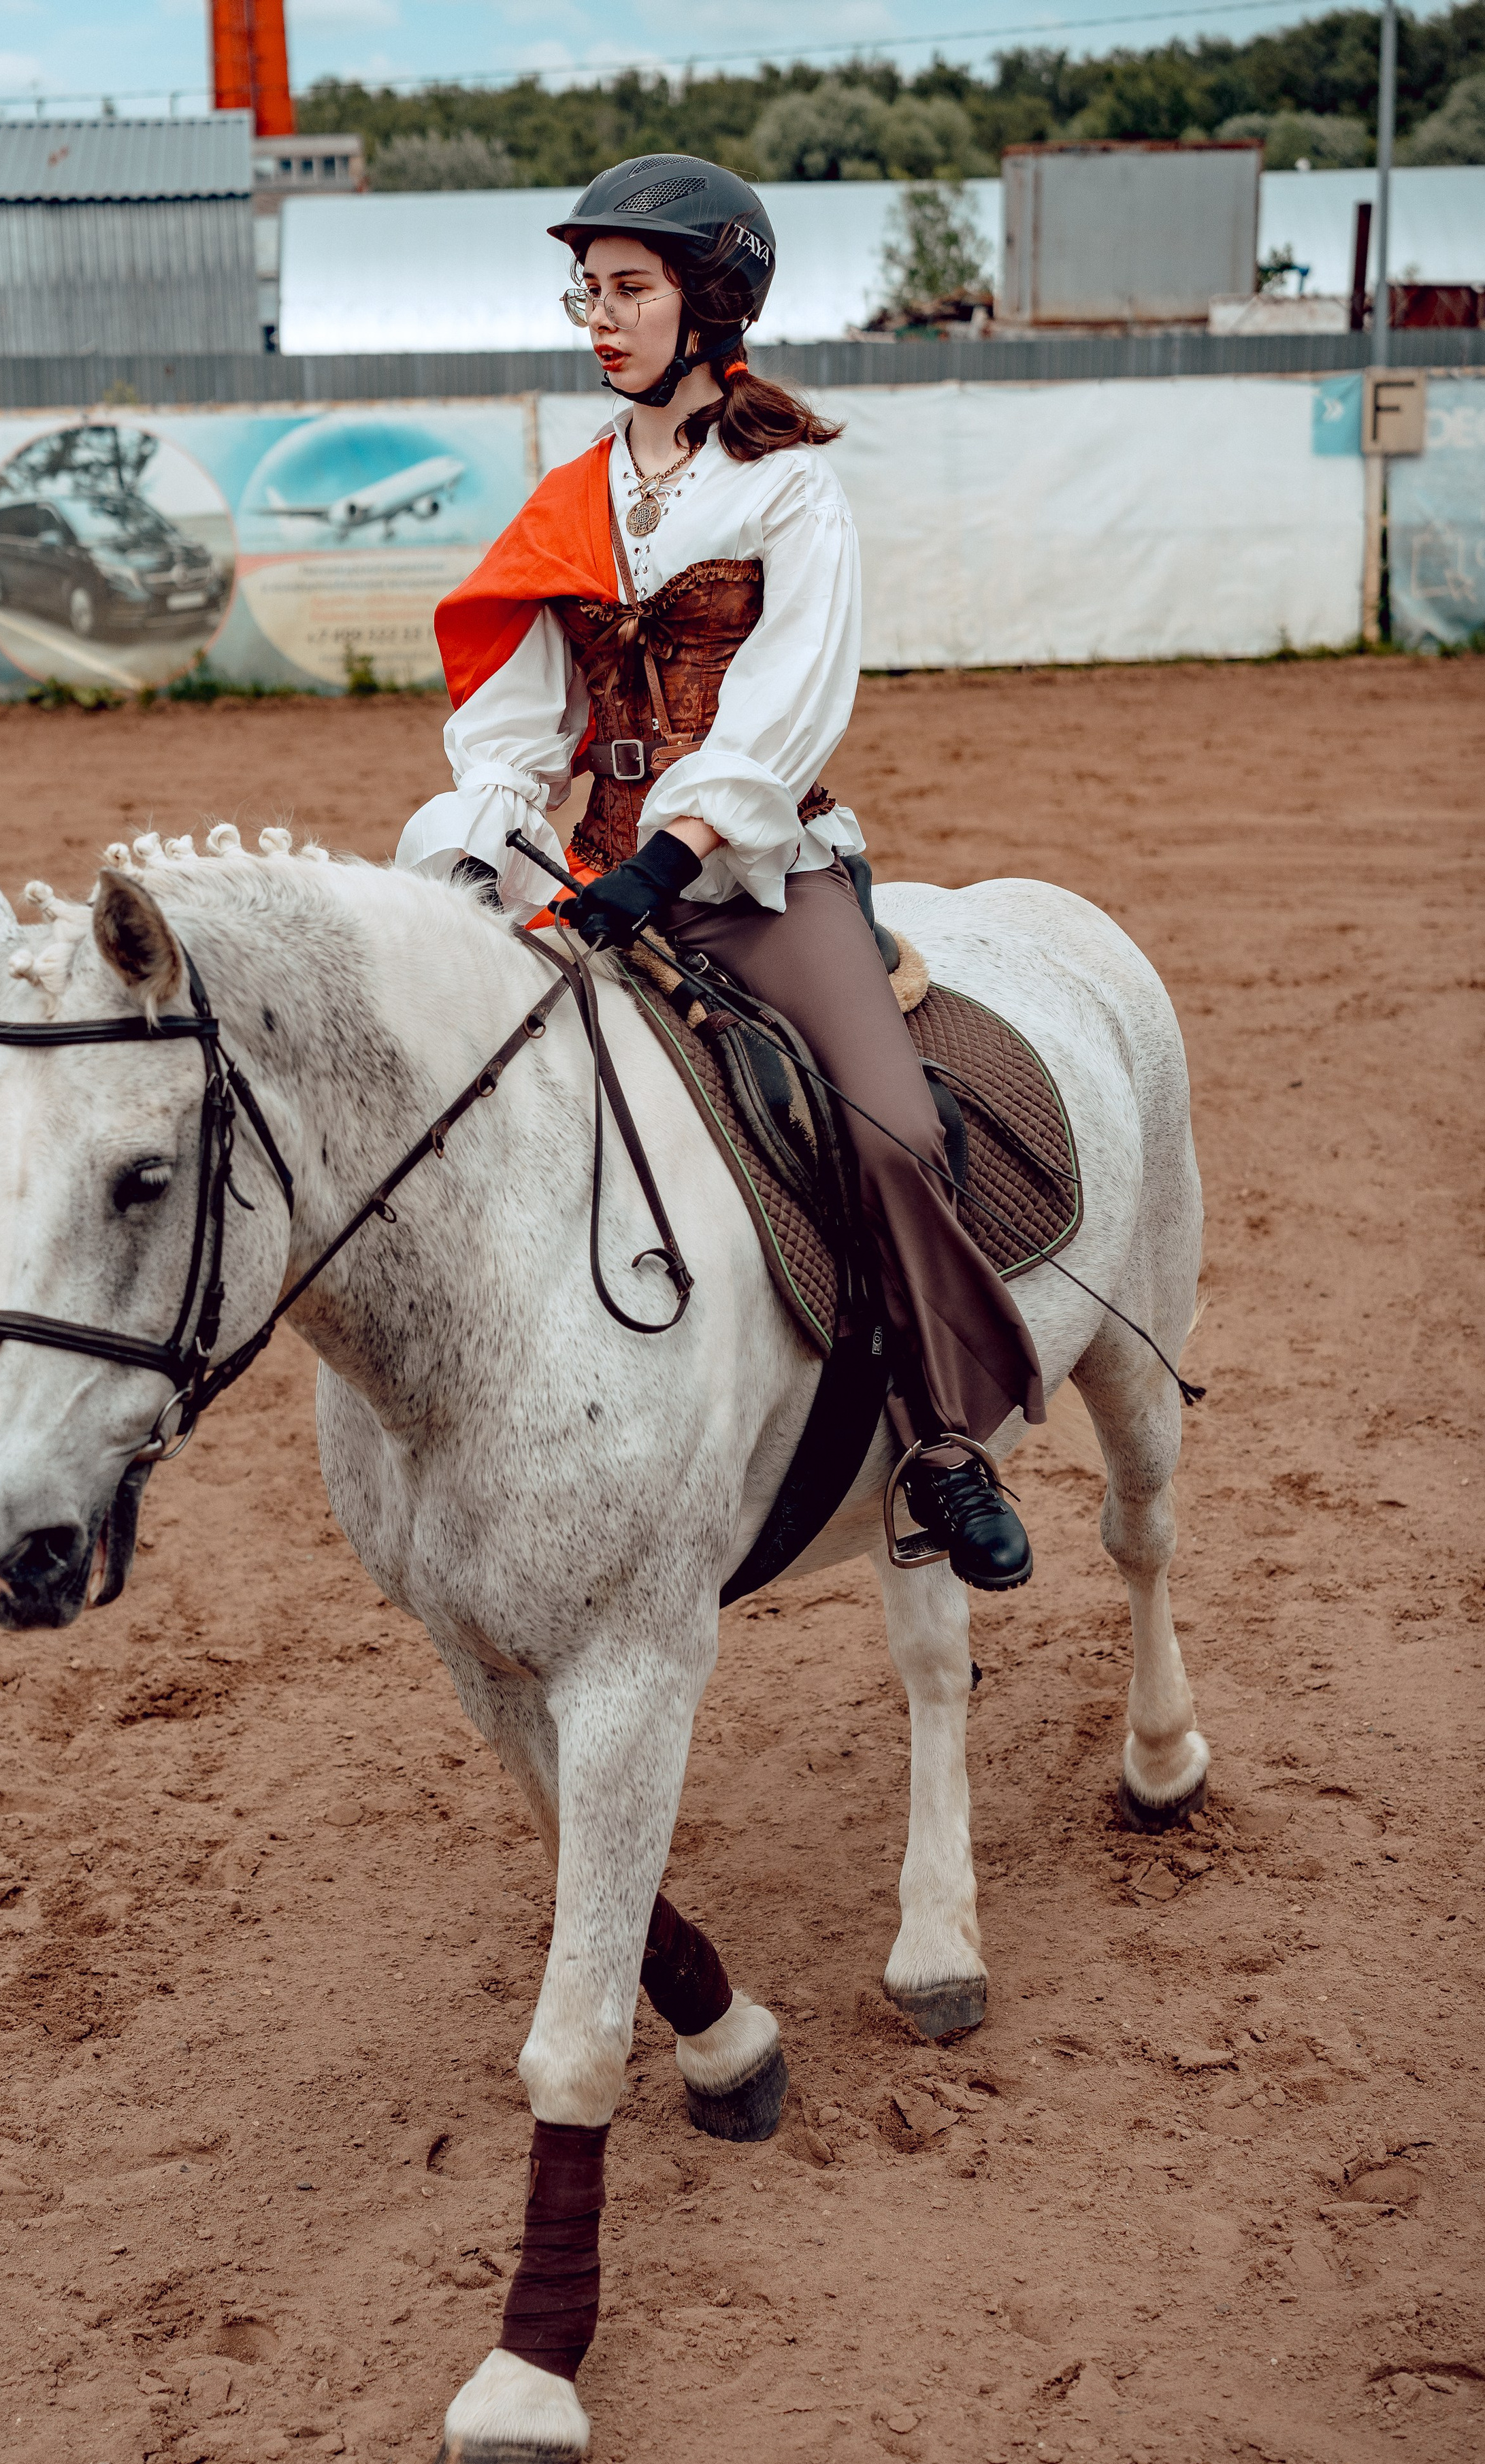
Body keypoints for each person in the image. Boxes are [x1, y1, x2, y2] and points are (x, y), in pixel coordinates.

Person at [395, 154, 1043, 1589]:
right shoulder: (569, 505)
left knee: (885, 1131)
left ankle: (941, 1439)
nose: (600, 316)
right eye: (590, 290)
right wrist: (474, 850)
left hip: (759, 877)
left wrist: (675, 851)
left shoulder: (788, 487)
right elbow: (515, 730)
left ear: (712, 297)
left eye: (629, 288)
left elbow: (786, 710)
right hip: (590, 873)